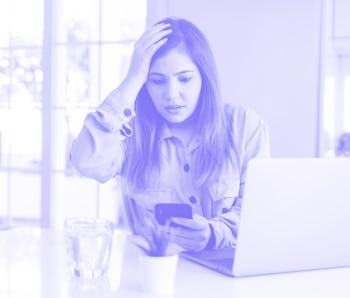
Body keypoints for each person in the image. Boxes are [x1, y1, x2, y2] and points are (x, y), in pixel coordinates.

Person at [70, 17, 270, 252]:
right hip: (152, 276)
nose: (172, 95)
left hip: (226, 278)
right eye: (157, 81)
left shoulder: (244, 125)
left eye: (185, 79)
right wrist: (132, 79)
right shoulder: (131, 135)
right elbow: (86, 161)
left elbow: (258, 211)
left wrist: (213, 234)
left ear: (204, 78)